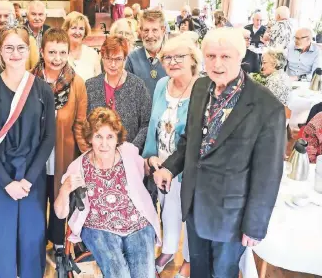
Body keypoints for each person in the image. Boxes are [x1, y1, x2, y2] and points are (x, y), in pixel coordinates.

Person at [152, 28, 286, 278]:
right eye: (211, 56)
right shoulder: (202, 86)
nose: (217, 63)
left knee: (222, 274)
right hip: (194, 205)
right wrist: (170, 167)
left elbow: (268, 175)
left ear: (241, 57)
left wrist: (255, 227)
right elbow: (190, 139)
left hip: (230, 216)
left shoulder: (267, 107)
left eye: (225, 57)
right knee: (198, 271)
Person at [0, 27, 55, 278]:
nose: (15, 53)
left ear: (29, 51)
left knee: (32, 241)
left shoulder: (43, 89)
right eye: (8, 47)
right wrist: (7, 182)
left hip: (32, 177)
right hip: (0, 177)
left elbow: (48, 137)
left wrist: (28, 179)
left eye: (20, 47)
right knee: (1, 242)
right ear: (0, 52)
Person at [54, 107, 161, 278]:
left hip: (137, 223)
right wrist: (65, 189)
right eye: (98, 137)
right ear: (90, 138)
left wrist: (152, 161)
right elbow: (60, 213)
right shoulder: (78, 166)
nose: (104, 144)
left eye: (110, 137)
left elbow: (145, 167)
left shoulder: (128, 152)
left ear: (117, 138)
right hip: (97, 227)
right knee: (119, 274)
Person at [143, 36, 202, 277]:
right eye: (167, 57)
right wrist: (150, 157)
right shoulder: (161, 85)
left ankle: (188, 260)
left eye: (180, 56)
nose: (173, 61)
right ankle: (168, 251)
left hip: (189, 165)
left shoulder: (202, 88)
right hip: (163, 163)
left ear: (193, 60)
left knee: (191, 215)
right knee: (168, 209)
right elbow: (153, 125)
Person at [31, 27, 89, 254]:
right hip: (34, 155)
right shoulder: (30, 80)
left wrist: (85, 156)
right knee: (35, 201)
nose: (57, 58)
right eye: (52, 52)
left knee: (59, 197)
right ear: (42, 52)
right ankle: (34, 242)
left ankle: (57, 242)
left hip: (62, 154)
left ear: (68, 53)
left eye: (62, 53)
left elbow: (80, 123)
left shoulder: (77, 84)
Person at [86, 36, 151, 153]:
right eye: (108, 58)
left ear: (125, 59)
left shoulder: (137, 86)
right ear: (102, 58)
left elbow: (146, 123)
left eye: (118, 59)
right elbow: (85, 123)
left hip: (129, 155)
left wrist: (132, 149)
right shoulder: (90, 86)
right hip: (96, 154)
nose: (112, 64)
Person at [125, 9, 168, 98]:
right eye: (146, 30)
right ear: (140, 31)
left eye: (155, 30)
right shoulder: (131, 59)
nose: (150, 36)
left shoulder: (172, 58)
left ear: (163, 30)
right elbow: (127, 94)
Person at [0, 0, 39, 70]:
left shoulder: (29, 40)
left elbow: (36, 70)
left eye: (6, 16)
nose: (2, 19)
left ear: (14, 17)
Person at [62, 11, 101, 81]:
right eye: (73, 28)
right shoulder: (59, 53)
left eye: (81, 29)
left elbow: (98, 82)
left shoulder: (93, 54)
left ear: (85, 32)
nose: (77, 32)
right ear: (66, 30)